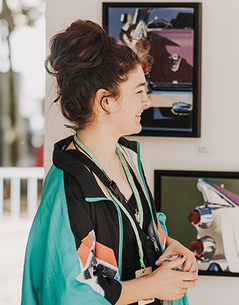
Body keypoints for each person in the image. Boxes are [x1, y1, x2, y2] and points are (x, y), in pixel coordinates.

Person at [21, 20, 197, 305]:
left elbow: (139, 231)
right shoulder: (68, 181)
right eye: (139, 91)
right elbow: (70, 289)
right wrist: (151, 287)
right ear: (106, 102)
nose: (147, 102)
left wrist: (170, 246)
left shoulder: (128, 159)